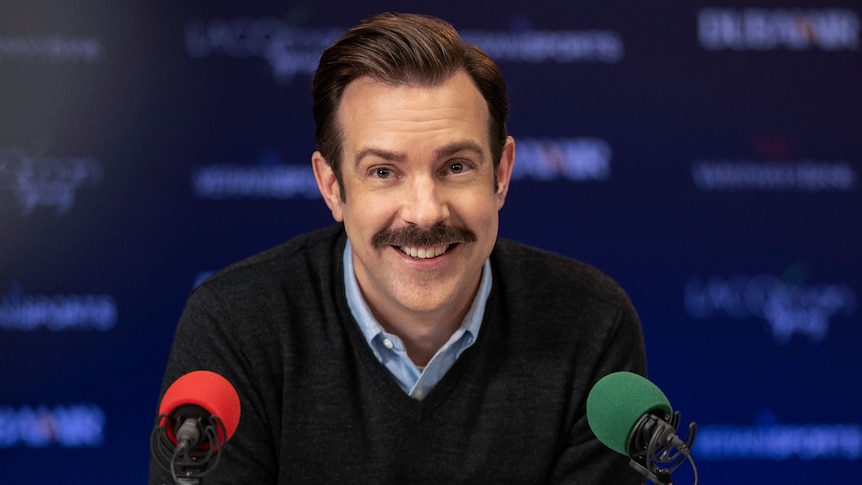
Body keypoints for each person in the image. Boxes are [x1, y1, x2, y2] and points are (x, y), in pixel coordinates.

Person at [150, 12, 646, 484]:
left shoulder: (590, 323)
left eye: (456, 167)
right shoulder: (236, 324)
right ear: (332, 187)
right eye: (383, 172)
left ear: (500, 174)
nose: (425, 212)